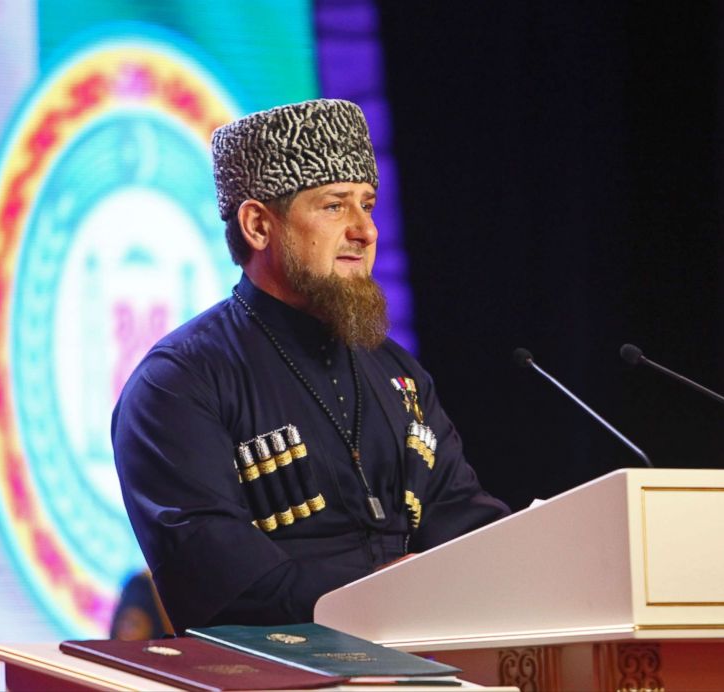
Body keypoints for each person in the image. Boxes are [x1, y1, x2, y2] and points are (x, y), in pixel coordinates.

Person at [112, 99, 510, 634]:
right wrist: (387, 596)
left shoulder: (401, 378)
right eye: (334, 206)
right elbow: (228, 590)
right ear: (257, 225)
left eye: (367, 204)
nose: (365, 231)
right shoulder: (179, 386)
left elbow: (469, 527)